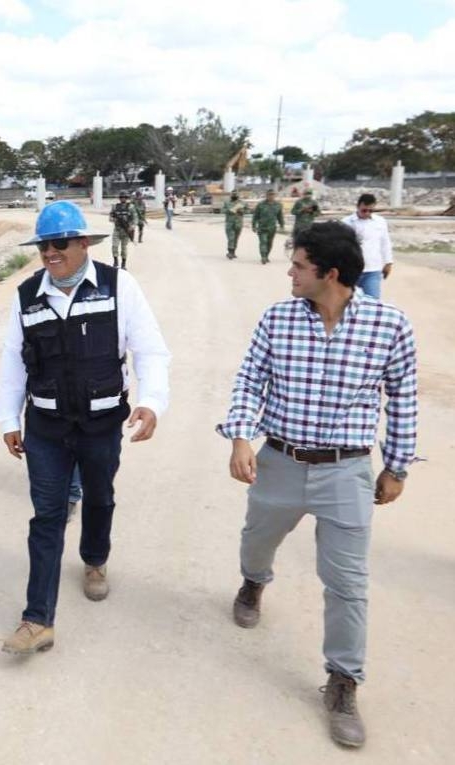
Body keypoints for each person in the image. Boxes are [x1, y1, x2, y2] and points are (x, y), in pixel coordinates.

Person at [217, 221, 417, 749]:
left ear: (330, 273)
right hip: (278, 461)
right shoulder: (277, 318)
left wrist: (395, 467)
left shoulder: (390, 326)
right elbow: (248, 380)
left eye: (298, 265)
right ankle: (254, 581)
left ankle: (343, 681)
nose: (289, 273)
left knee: (348, 583)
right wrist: (240, 437)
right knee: (256, 541)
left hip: (346, 472)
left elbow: (403, 400)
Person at [0, 201, 171, 655]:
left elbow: (149, 349)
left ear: (83, 244)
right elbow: (13, 363)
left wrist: (151, 402)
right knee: (47, 515)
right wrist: (6, 418)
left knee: (99, 497)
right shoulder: (26, 295)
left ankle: (95, 559)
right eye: (42, 247)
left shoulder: (118, 287)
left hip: (101, 422)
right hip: (46, 426)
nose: (49, 254)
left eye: (57, 245)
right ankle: (37, 619)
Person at [342, 193, 393, 299]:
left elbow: (385, 243)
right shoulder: (346, 223)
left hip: (373, 269)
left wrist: (388, 263)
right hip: (352, 270)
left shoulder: (380, 222)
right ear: (358, 207)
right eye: (364, 210)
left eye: (371, 211)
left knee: (373, 302)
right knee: (348, 302)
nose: (367, 213)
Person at [252, 189, 285, 264]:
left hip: (272, 228)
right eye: (269, 194)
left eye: (272, 194)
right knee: (263, 242)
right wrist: (254, 226)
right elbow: (255, 216)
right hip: (262, 227)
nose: (271, 196)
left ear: (275, 195)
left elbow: (280, 216)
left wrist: (282, 225)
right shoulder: (260, 205)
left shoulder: (278, 205)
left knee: (269, 243)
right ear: (266, 195)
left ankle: (266, 256)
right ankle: (263, 256)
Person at [108, 191, 138, 269]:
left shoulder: (131, 207)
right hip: (117, 230)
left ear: (127, 198)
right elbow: (110, 216)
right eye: (121, 197)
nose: (123, 199)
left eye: (124, 197)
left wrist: (132, 226)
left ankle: (123, 264)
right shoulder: (115, 207)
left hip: (126, 230)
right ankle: (115, 262)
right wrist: (113, 219)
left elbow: (135, 218)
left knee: (124, 248)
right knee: (114, 246)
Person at [222, 191, 246, 260]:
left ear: (238, 195)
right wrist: (229, 210)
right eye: (233, 194)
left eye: (236, 194)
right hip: (229, 223)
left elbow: (248, 210)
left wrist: (242, 211)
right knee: (231, 238)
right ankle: (230, 252)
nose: (234, 195)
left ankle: (233, 252)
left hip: (238, 224)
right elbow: (222, 210)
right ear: (231, 195)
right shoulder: (227, 202)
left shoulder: (242, 203)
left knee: (236, 239)